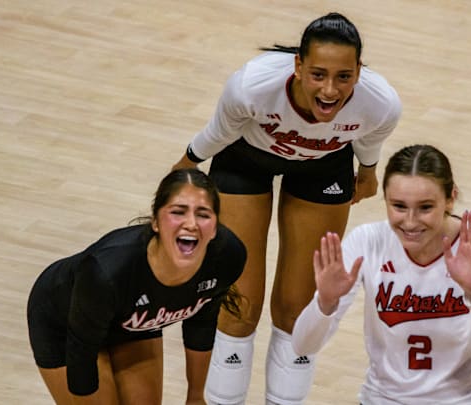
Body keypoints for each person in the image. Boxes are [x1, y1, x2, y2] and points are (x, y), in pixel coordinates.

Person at [171, 11, 402, 405]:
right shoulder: (251, 87)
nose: (330, 90)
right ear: (298, 65)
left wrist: (367, 172)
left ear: (359, 71)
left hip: (322, 168)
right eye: (318, 75)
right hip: (245, 161)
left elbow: (367, 135)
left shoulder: (381, 104)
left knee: (298, 309)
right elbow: (217, 134)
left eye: (343, 77)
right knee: (240, 302)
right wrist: (186, 166)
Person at [292, 144, 471, 404]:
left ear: (451, 198)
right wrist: (324, 304)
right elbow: (302, 347)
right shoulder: (367, 243)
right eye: (399, 206)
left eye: (425, 207)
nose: (411, 222)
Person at [27, 168, 247, 405]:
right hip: (64, 321)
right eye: (178, 212)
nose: (191, 223)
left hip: (132, 321)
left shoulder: (226, 257)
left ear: (215, 227)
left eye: (203, 214)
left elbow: (202, 321)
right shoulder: (107, 272)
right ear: (155, 221)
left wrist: (195, 396)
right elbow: (82, 358)